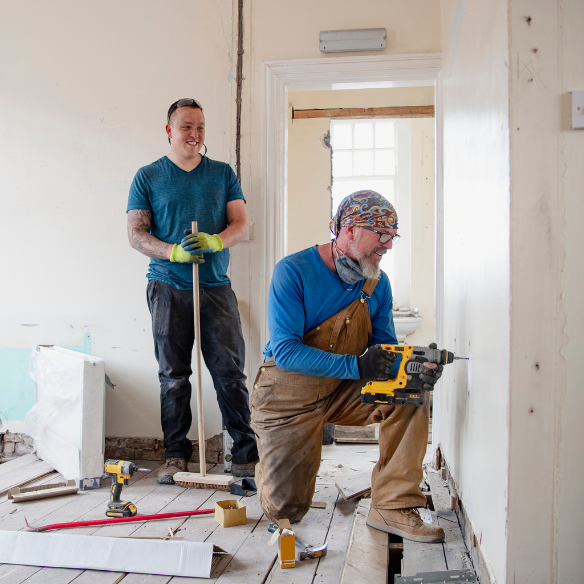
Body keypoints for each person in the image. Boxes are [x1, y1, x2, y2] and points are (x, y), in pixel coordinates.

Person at [251, 190, 445, 542]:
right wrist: (358, 366)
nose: (387, 246)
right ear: (350, 230)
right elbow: (287, 350)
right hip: (287, 396)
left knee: (411, 394)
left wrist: (412, 366)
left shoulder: (377, 282)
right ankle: (270, 463)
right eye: (381, 236)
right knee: (286, 509)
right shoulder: (293, 271)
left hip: (340, 390)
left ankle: (393, 506)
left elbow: (383, 349)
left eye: (392, 237)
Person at [126, 98, 259, 484]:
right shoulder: (148, 176)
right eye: (186, 126)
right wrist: (173, 251)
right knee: (174, 376)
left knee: (229, 374)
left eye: (200, 126)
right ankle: (175, 455)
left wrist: (216, 241)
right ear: (169, 130)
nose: (194, 134)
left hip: (215, 287)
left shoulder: (221, 174)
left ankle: (245, 455)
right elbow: (136, 234)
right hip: (167, 287)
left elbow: (242, 225)